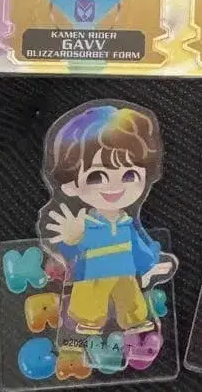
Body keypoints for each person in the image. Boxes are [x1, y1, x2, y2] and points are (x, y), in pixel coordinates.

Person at [41, 103, 176, 336]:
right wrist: (72, 238)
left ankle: (134, 321)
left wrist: (151, 261)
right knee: (90, 297)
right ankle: (89, 321)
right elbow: (71, 252)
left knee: (131, 298)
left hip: (125, 271)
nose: (114, 187)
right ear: (71, 184)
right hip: (94, 271)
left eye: (129, 174)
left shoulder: (126, 222)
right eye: (96, 176)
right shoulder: (88, 224)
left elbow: (137, 246)